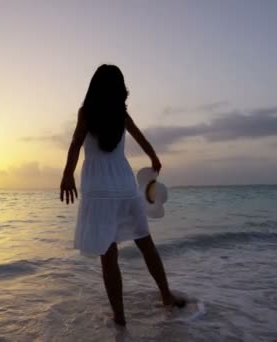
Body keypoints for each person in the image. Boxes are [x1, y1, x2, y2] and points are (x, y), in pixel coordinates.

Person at [60, 64, 185, 326]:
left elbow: (74, 145)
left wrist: (67, 175)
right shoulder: (121, 114)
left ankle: (120, 318)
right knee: (145, 242)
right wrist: (153, 158)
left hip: (99, 189)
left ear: (93, 87)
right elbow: (141, 139)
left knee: (109, 254)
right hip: (125, 185)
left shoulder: (87, 113)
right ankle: (166, 296)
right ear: (120, 89)